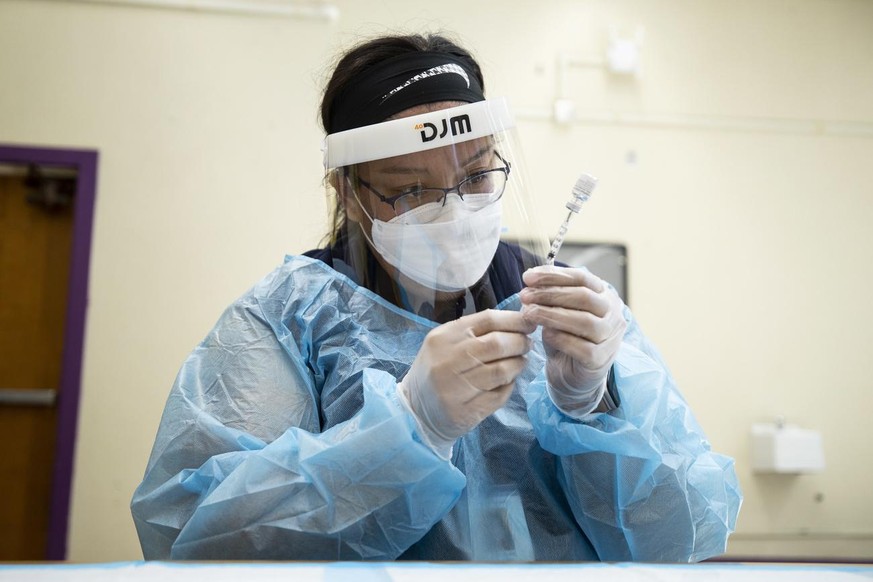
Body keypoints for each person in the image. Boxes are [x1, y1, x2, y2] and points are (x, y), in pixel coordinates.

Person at [130, 32, 741, 562]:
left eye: (476, 176)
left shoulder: (566, 309)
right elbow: (203, 544)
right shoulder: (290, 320)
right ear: (350, 193)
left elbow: (682, 538)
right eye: (411, 190)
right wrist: (409, 427)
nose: (454, 209)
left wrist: (594, 403)